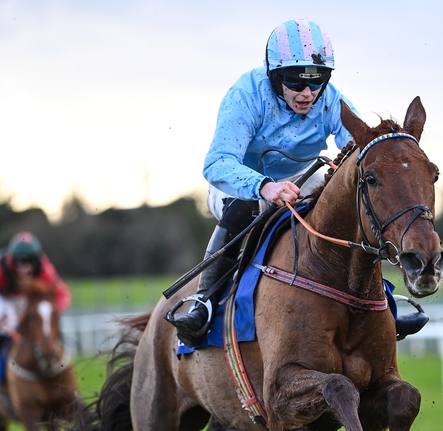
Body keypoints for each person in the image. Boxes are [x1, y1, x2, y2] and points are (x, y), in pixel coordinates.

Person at [168, 18, 427, 347]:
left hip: (303, 176)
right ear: (275, 76)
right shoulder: (245, 96)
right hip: (242, 182)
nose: (307, 94)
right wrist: (266, 187)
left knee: (352, 208)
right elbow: (217, 162)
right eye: (295, 83)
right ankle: (203, 301)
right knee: (244, 209)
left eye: (316, 81)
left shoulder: (330, 98)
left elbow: (361, 148)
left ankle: (384, 302)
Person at [0, 231, 71, 384]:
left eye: (30, 261)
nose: (25, 267)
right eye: (21, 261)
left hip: (26, 298)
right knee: (8, 328)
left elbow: (63, 295)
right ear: (13, 258)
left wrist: (51, 313)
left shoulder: (45, 268)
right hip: (2, 298)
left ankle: (58, 363)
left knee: (41, 326)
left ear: (37, 259)